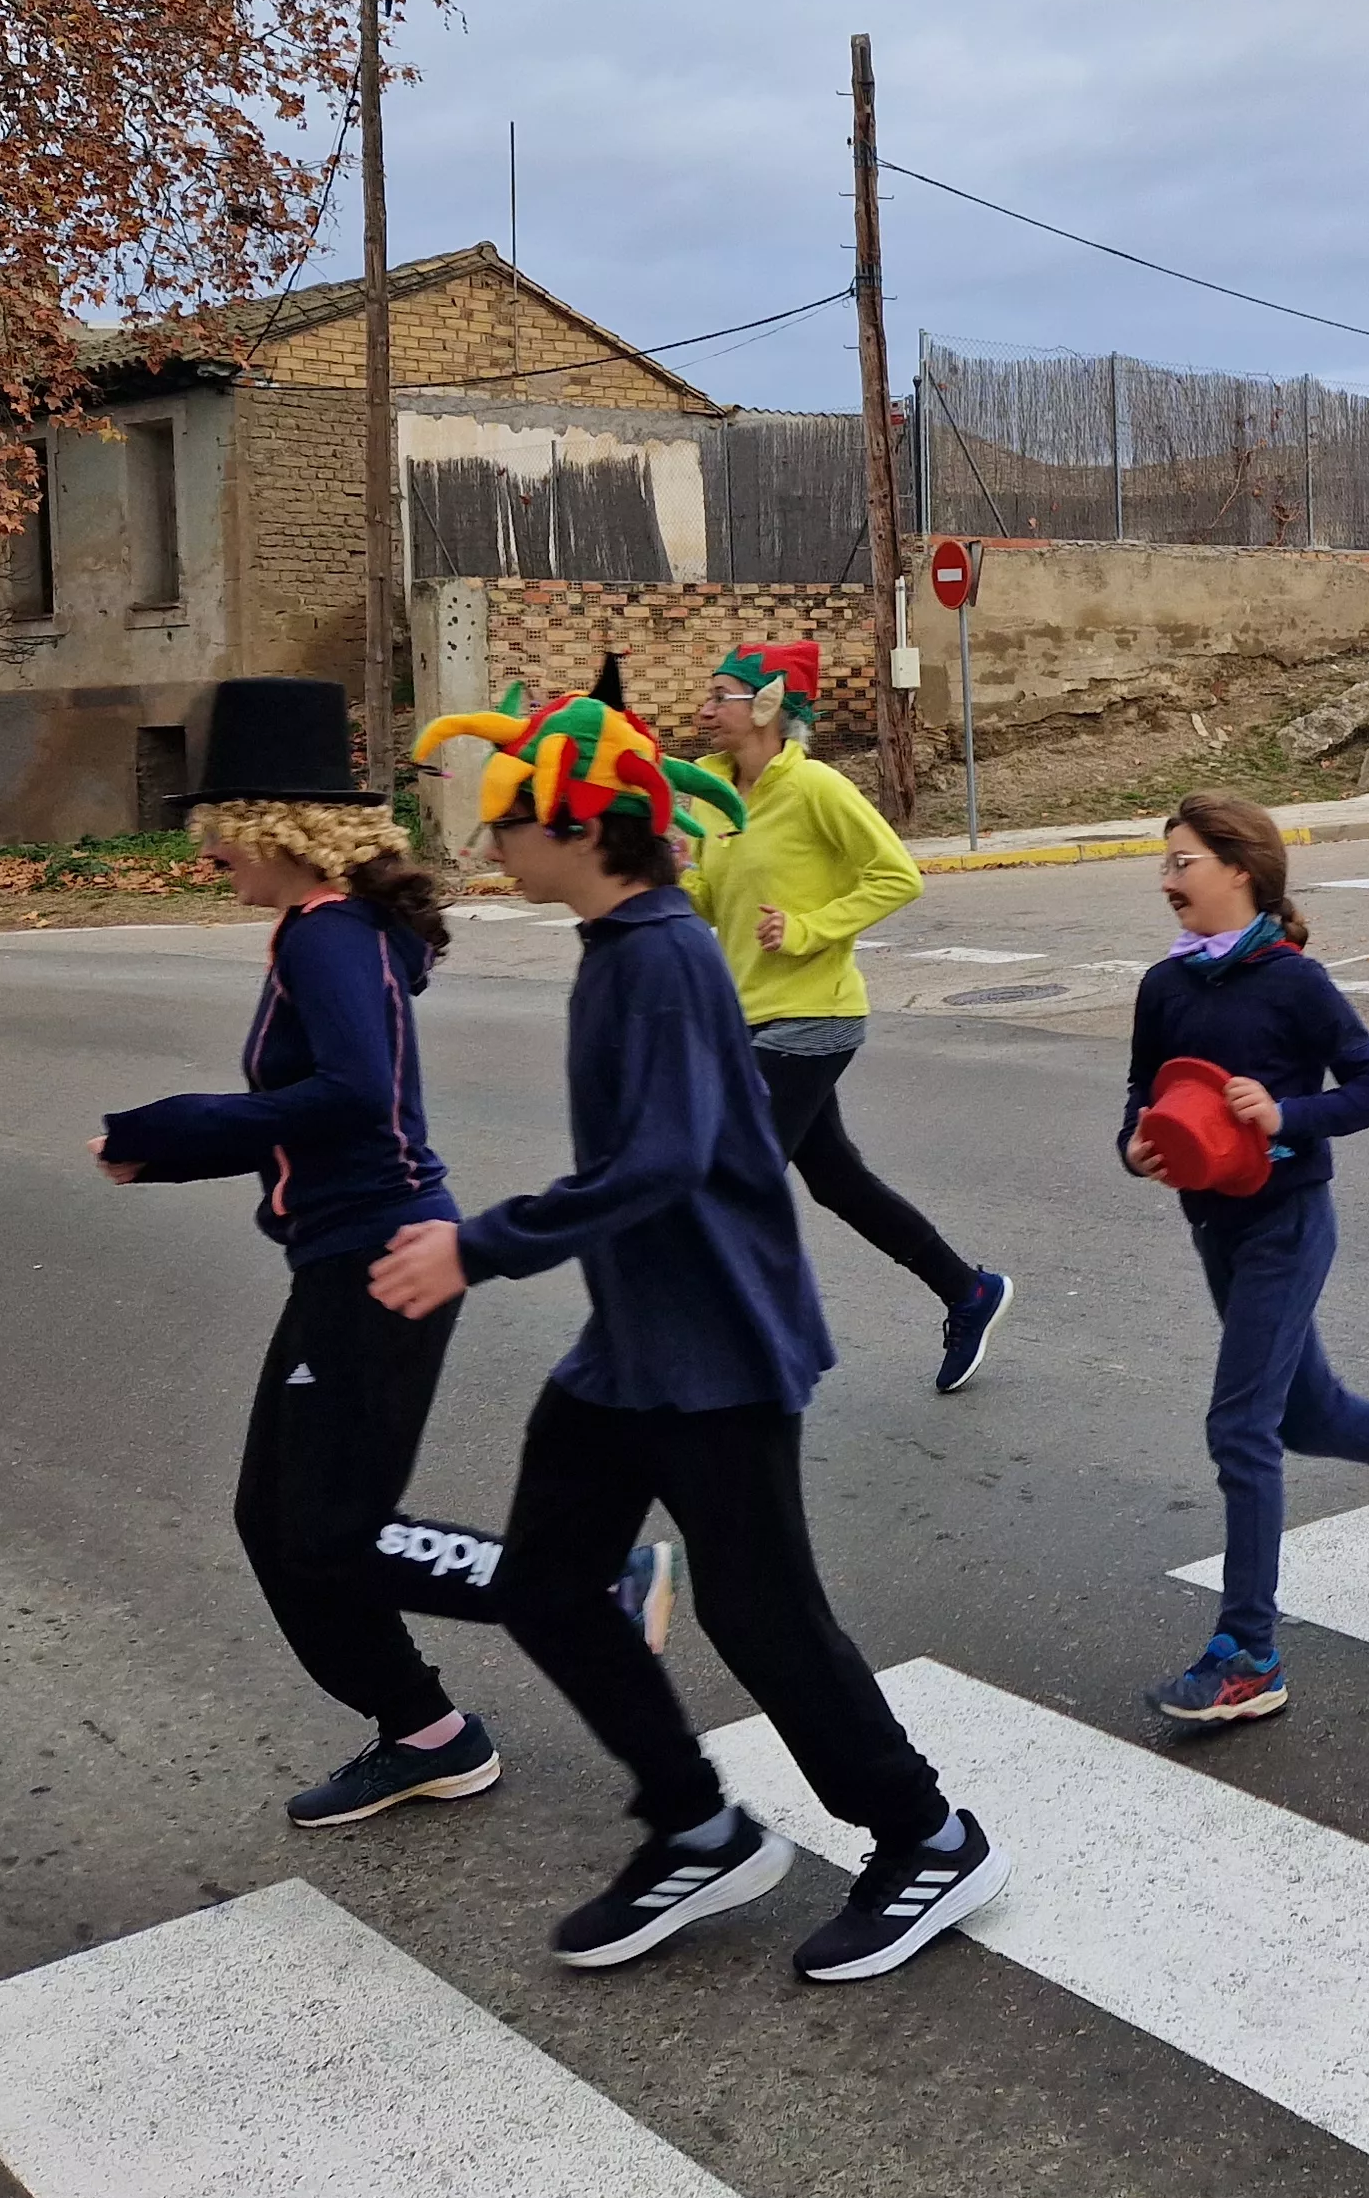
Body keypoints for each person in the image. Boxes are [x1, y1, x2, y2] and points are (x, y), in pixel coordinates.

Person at [378, 667, 1005, 1985]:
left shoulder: (656, 959)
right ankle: (693, 1823)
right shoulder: (624, 945)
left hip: (716, 1352)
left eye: (505, 822)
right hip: (631, 1351)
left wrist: (473, 1249)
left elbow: (657, 1164)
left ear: (577, 829)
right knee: (547, 1584)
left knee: (765, 1619)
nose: (490, 844)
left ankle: (926, 1836)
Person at [91, 678, 638, 1834]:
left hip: (378, 1258)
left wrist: (168, 1130)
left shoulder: (328, 931)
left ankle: (583, 1584)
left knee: (327, 1533)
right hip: (344, 1251)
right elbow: (324, 1103)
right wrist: (173, 1157)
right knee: (273, 1521)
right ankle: (427, 1733)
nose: (208, 858)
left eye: (216, 831)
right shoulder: (328, 927)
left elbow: (350, 1095)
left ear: (274, 827)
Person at [1122, 792, 1369, 1726]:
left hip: (1288, 1222)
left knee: (1240, 1428)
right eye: (1166, 863)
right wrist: (1133, 1145)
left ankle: (1249, 1652)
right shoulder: (1163, 987)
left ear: (1239, 871)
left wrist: (1286, 1114)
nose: (1167, 879)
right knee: (1309, 1414)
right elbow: (1143, 1093)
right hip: (1210, 1220)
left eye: (1183, 862)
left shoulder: (1296, 982)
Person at [691, 638, 1014, 1394]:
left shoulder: (817, 790)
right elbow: (711, 903)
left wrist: (807, 929)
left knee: (738, 1179)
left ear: (767, 705)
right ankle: (968, 1291)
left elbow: (896, 876)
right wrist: (674, 876)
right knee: (835, 1180)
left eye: (720, 696)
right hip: (748, 1016)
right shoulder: (710, 793)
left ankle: (746, 1351)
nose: (703, 710)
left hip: (813, 1016)